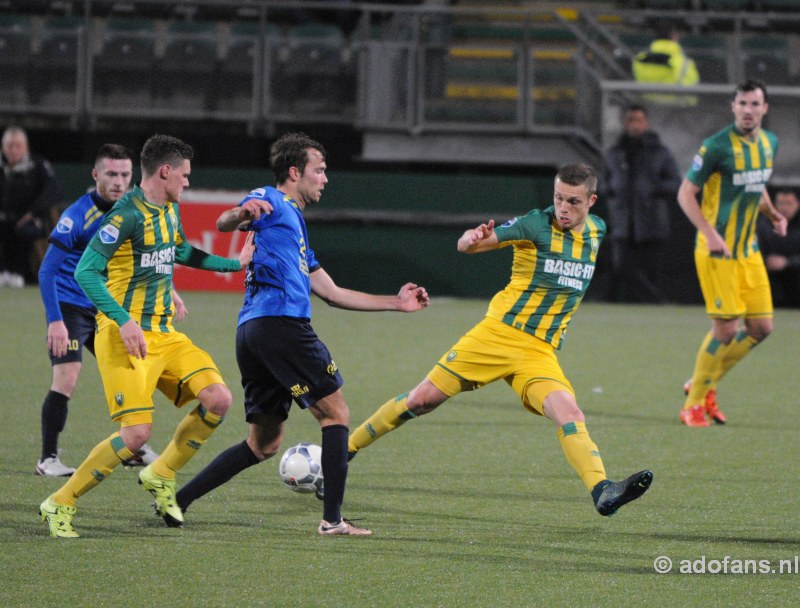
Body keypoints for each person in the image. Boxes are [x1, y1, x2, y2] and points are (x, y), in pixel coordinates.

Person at [348, 164, 653, 518]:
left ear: (592, 201)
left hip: (539, 352)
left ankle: (602, 490)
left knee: (569, 412)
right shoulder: (535, 224)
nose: (563, 208)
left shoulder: (597, 230)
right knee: (421, 400)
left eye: (573, 201)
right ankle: (345, 451)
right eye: (558, 198)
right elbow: (469, 246)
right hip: (497, 336)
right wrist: (469, 239)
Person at [173, 132, 430, 536]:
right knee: (336, 414)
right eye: (319, 170)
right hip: (283, 327)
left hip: (253, 333)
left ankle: (178, 499)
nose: (325, 178)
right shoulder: (273, 201)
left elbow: (331, 292)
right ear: (295, 172)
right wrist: (242, 213)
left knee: (264, 444)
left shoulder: (294, 228)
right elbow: (226, 220)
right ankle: (332, 520)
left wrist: (396, 304)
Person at [39, 134, 254, 538]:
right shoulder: (124, 215)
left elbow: (180, 251)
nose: (188, 183)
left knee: (219, 399)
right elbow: (85, 271)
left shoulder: (169, 207)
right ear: (165, 171)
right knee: (136, 434)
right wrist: (123, 320)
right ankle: (59, 502)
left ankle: (162, 473)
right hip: (125, 335)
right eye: (185, 175)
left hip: (164, 333)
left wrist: (234, 264)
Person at [34, 144, 169, 477]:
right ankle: (47, 459)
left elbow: (144, 257)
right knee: (67, 376)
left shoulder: (132, 210)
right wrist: (55, 321)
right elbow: (47, 270)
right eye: (111, 174)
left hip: (109, 309)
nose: (119, 181)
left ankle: (132, 446)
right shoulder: (78, 214)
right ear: (96, 175)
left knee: (134, 367)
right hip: (70, 307)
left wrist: (172, 292)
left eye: (125, 174)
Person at [678, 80, 787, 427]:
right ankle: (693, 404)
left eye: (755, 104)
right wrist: (709, 234)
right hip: (717, 251)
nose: (748, 109)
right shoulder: (716, 146)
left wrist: (772, 215)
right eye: (742, 103)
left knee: (761, 328)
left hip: (748, 250)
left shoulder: (769, 143)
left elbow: (758, 186)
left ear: (764, 108)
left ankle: (703, 384)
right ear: (733, 106)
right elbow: (685, 194)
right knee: (725, 331)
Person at [602, 104, 682, 303]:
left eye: (638, 120)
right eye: (630, 120)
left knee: (651, 270)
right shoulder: (615, 153)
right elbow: (603, 181)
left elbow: (675, 183)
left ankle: (652, 306)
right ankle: (656, 302)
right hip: (623, 221)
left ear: (646, 122)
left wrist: (652, 189)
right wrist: (612, 188)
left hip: (651, 221)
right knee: (621, 266)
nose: (634, 124)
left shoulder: (659, 152)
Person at [0, 125, 61, 286]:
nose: (13, 150)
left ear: (25, 147)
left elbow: (52, 191)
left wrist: (33, 212)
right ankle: (3, 271)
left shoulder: (38, 165)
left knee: (23, 231)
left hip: (31, 218)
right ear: (3, 147)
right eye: (9, 146)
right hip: (3, 218)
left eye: (17, 145)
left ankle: (21, 273)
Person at [632, 22, 699, 106]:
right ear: (674, 38)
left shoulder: (639, 58)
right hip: (677, 108)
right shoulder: (682, 61)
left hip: (649, 106)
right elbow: (692, 85)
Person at [757, 188, 800, 308]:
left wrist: (788, 262)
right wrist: (767, 260)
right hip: (770, 276)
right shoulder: (763, 224)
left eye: (789, 203)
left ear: (798, 204)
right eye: (781, 203)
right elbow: (756, 249)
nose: (784, 208)